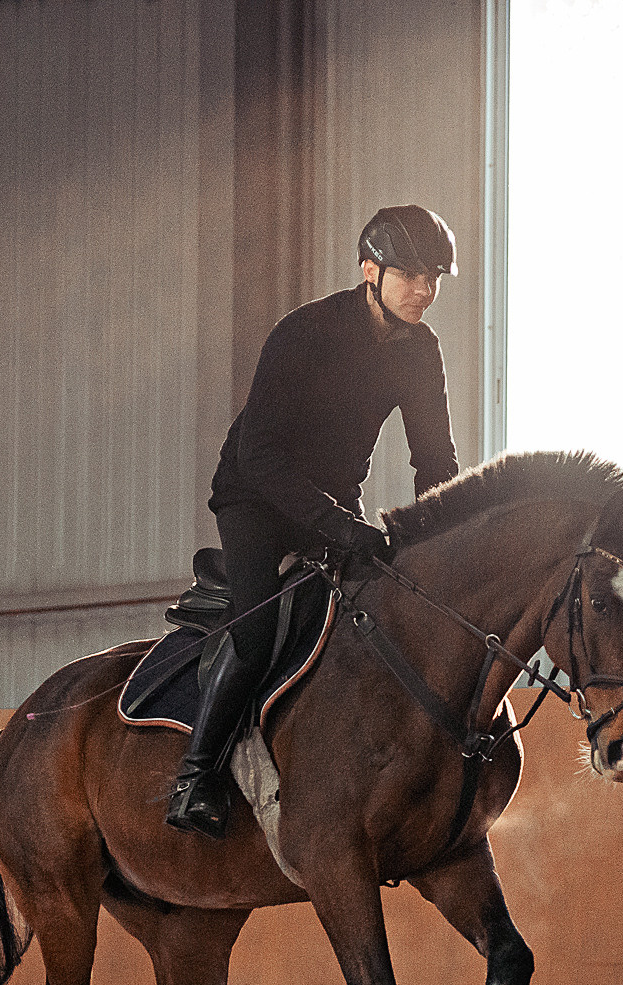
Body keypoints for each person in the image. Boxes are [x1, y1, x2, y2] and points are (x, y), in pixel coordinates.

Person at [166, 204, 462, 838]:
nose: (423, 291)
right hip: (253, 494)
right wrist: (343, 527)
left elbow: (435, 458)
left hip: (332, 502)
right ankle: (195, 777)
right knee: (256, 632)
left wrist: (443, 537)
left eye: (433, 277)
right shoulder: (303, 332)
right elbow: (259, 456)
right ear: (369, 270)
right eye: (410, 275)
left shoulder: (421, 351)